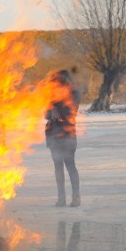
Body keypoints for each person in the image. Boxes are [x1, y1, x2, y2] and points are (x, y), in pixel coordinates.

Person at [45, 69, 81, 207]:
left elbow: (70, 112)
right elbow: (46, 114)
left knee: (70, 165)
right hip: (53, 135)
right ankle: (61, 198)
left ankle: (76, 197)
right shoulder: (52, 95)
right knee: (58, 168)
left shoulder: (74, 93)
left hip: (67, 135)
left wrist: (55, 109)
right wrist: (52, 109)